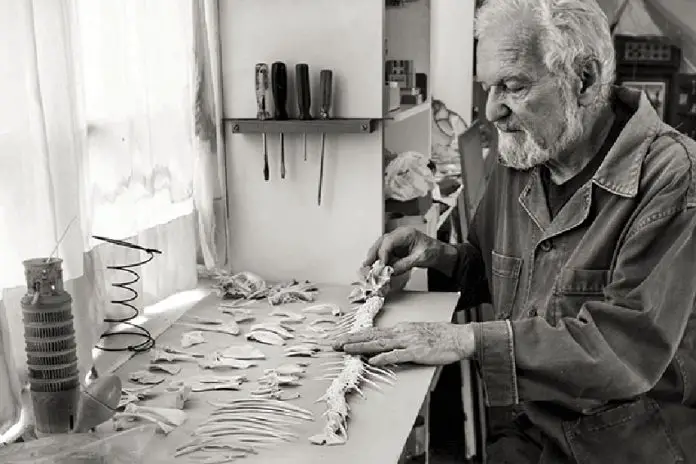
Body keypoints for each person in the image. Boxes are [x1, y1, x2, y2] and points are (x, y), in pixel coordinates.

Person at [333, 0, 696, 462]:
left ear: (582, 79)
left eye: (512, 86)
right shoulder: (523, 155)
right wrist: (435, 255)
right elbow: (491, 271)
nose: (492, 112)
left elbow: (623, 350)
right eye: (488, 87)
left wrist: (467, 339)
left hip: (621, 442)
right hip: (524, 428)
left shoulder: (673, 176)